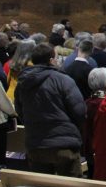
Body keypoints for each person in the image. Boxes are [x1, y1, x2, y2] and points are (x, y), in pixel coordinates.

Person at [15, 43, 86, 176]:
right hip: (64, 144)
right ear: (51, 60)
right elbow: (79, 111)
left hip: (36, 144)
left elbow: (19, 110)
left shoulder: (23, 82)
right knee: (71, 186)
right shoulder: (63, 79)